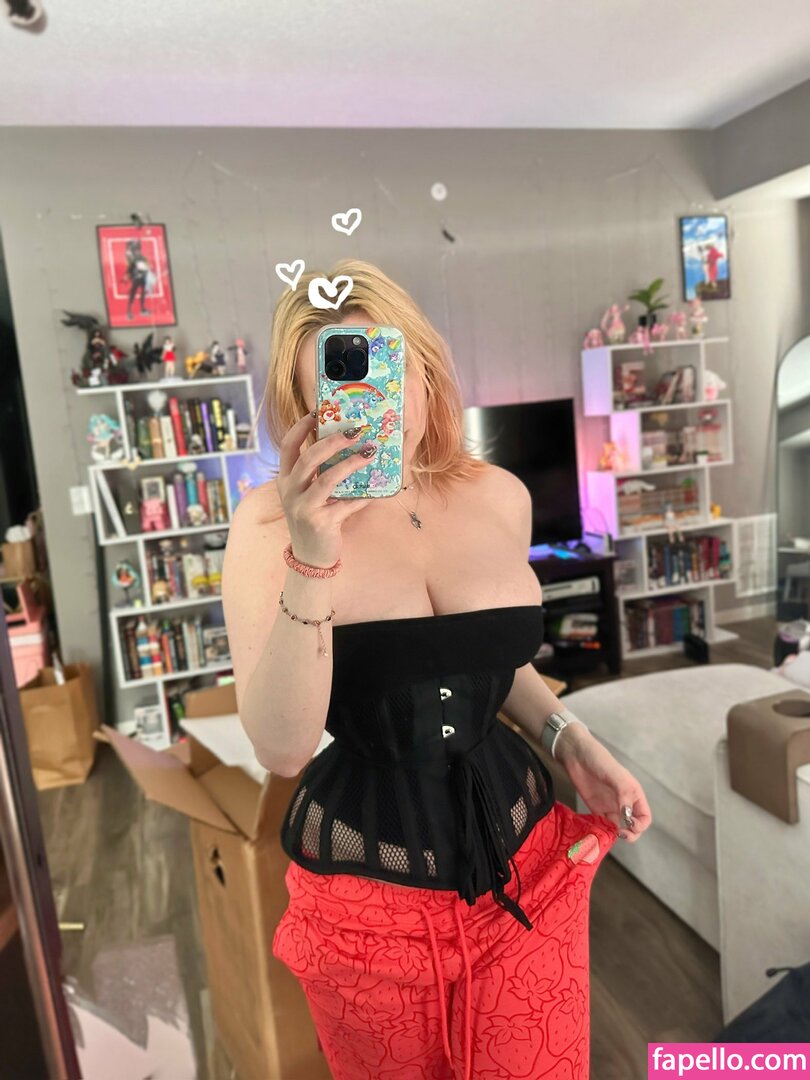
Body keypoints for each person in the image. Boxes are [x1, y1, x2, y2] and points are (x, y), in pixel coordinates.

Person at [222, 259, 652, 1079]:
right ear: (305, 406)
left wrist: (572, 740)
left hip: (526, 863)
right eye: (337, 385)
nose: (372, 402)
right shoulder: (266, 526)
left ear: (422, 369)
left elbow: (491, 659)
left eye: (387, 369)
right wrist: (312, 556)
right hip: (366, 895)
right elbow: (282, 748)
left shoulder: (499, 495)